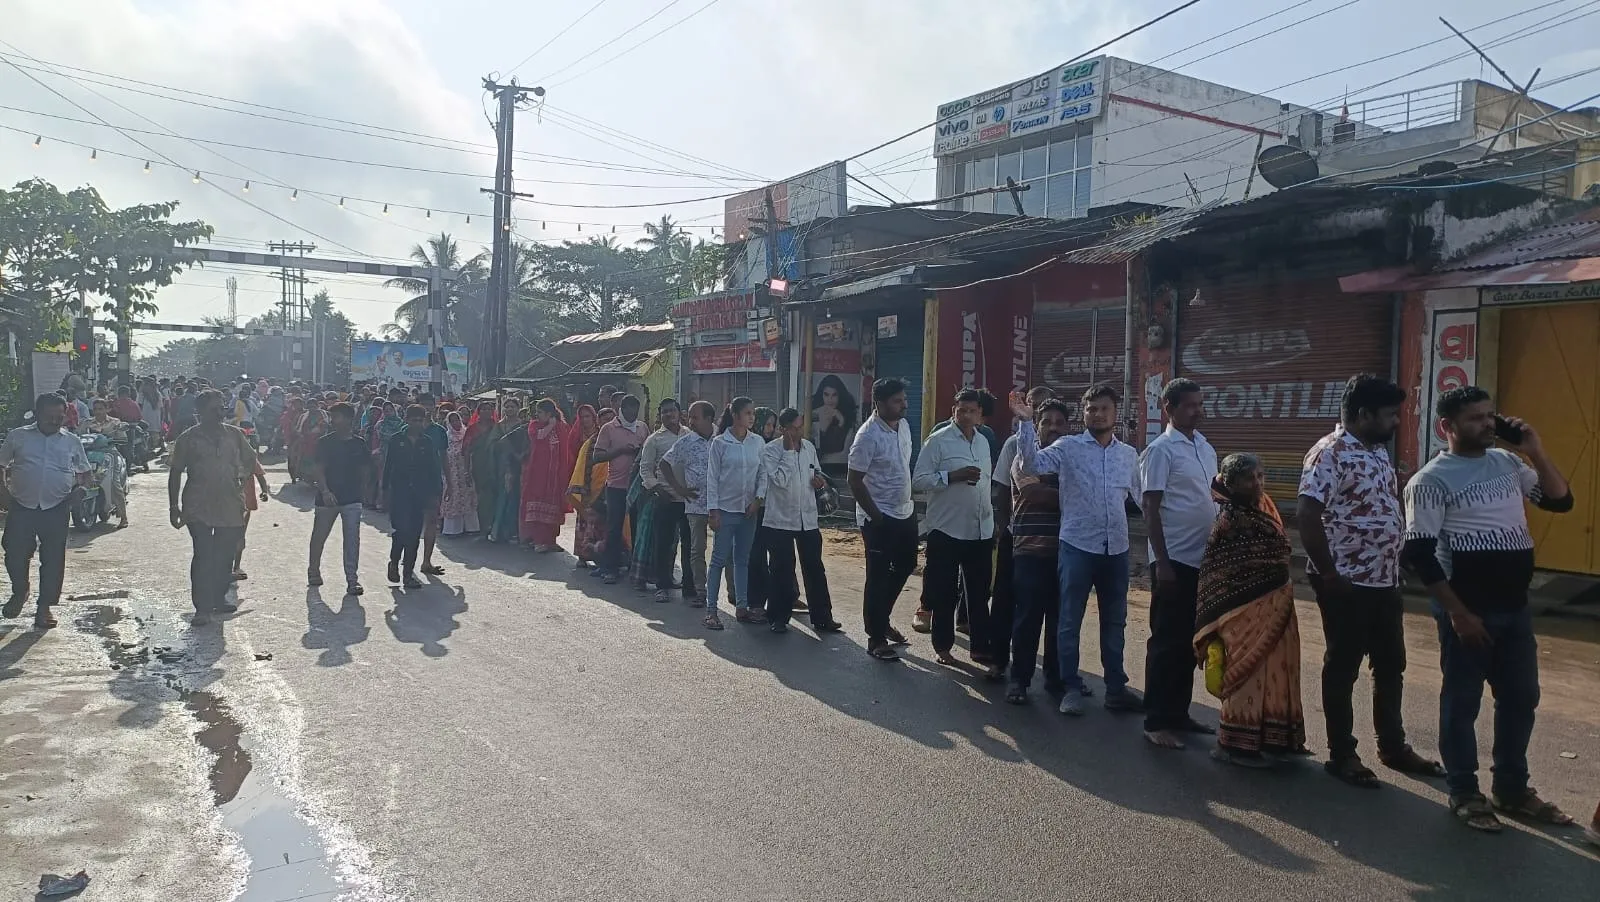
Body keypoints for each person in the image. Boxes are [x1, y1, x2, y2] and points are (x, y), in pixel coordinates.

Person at [1402, 386, 1574, 833]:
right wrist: (1458, 614)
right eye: (1476, 418)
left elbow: (1559, 500)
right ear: (1447, 427)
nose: (1488, 424)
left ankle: (1512, 789)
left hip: (1514, 608)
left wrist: (1534, 448)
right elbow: (1419, 555)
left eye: (1489, 415)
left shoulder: (1509, 463)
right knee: (1462, 703)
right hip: (1468, 610)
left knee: (1521, 698)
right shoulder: (1430, 481)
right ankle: (1464, 791)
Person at [1298, 374, 1444, 788]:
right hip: (1345, 583)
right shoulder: (1329, 454)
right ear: (1363, 415)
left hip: (1384, 580)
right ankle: (1341, 753)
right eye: (1389, 415)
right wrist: (1329, 574)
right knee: (1343, 667)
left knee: (1391, 665)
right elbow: (1307, 515)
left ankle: (1393, 746)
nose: (1396, 422)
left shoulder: (1377, 451)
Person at [1011, 383, 1142, 716]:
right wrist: (1026, 423)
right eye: (1091, 409)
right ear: (1083, 414)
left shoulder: (1127, 455)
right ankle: (1069, 687)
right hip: (1077, 547)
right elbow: (1031, 465)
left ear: (1116, 414)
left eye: (1104, 408)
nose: (1098, 414)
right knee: (1069, 620)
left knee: (1116, 621)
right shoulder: (1068, 447)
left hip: (1117, 550)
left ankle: (1116, 688)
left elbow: (1143, 499)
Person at [1194, 452, 1307, 768]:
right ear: (1230, 484)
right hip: (1243, 613)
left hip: (1278, 603)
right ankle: (1235, 745)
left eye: (1260, 476)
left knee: (1279, 671)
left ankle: (1274, 737)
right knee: (1249, 674)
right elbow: (1217, 574)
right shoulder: (1230, 521)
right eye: (1248, 479)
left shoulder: (1264, 506)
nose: (1257, 483)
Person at [1139, 378, 1220, 750]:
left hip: (1204, 561)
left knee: (1191, 642)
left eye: (1200, 404)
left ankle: (1179, 713)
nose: (1198, 410)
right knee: (1166, 642)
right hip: (1173, 561)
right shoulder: (1160, 450)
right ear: (1168, 408)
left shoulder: (1206, 448)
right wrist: (1162, 561)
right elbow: (1150, 508)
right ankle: (1156, 720)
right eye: (1190, 405)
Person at [912, 389, 996, 670]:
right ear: (953, 410)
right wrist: (953, 476)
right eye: (962, 410)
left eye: (972, 410)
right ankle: (943, 646)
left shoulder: (984, 442)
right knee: (944, 591)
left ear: (980, 414)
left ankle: (981, 647)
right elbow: (919, 480)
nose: (966, 415)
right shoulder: (938, 441)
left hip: (980, 529)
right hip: (946, 529)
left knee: (979, 591)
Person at [1, 394, 92, 629]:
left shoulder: (71, 441)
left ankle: (44, 607)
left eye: (59, 417)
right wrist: (3, 492)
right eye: (49, 416)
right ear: (38, 414)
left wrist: (81, 490)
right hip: (21, 504)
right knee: (14, 552)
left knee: (53, 558)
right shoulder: (18, 436)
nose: (54, 421)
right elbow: (1, 465)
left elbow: (85, 473)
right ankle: (20, 591)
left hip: (56, 505)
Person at [168, 390, 258, 625]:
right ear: (200, 412)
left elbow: (251, 459)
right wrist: (173, 506)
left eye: (221, 408)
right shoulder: (188, 439)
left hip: (229, 504)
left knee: (224, 555)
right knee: (204, 555)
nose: (220, 412)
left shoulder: (235, 435)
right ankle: (202, 607)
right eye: (214, 409)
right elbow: (175, 471)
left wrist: (242, 478)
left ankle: (218, 598)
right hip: (198, 505)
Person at [847, 378, 917, 661]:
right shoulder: (867, 436)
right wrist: (876, 516)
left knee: (906, 564)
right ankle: (875, 638)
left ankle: (881, 618)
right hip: (878, 516)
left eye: (903, 399)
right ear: (880, 403)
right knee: (877, 575)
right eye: (898, 401)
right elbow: (854, 480)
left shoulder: (904, 427)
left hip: (905, 511)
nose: (904, 405)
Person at [1005, 398, 1069, 704]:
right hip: (1030, 551)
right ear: (1037, 427)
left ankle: (1056, 680)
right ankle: (1019, 679)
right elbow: (1032, 492)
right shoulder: (1023, 458)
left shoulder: (1071, 459)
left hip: (1067, 552)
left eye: (1059, 422)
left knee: (1060, 621)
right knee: (1028, 619)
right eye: (1047, 422)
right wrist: (1078, 494)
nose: (1053, 427)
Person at [989, 385, 1054, 670]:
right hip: (1017, 538)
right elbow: (1000, 491)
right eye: (1033, 405)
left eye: (1044, 406)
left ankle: (1057, 672)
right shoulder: (1014, 445)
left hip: (1053, 543)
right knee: (1005, 601)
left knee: (1052, 610)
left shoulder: (1066, 447)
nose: (1038, 410)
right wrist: (1005, 528)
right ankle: (999, 661)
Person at [756, 408, 839, 634]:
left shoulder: (809, 448)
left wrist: (819, 481)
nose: (799, 431)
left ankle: (823, 617)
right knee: (781, 569)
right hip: (780, 519)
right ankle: (778, 617)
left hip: (808, 518)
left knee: (814, 568)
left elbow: (817, 472)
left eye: (801, 426)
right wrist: (790, 452)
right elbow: (780, 481)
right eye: (794, 427)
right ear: (783, 429)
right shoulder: (770, 451)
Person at [703, 397, 766, 629]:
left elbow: (763, 473)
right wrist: (713, 510)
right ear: (736, 415)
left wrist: (758, 499)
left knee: (742, 560)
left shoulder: (757, 442)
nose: (752, 417)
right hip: (725, 509)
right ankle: (711, 611)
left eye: (753, 413)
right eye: (748, 413)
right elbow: (712, 479)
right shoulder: (720, 443)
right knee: (719, 560)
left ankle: (742, 606)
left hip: (748, 510)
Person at [309, 402, 368, 596]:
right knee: (320, 535)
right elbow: (318, 468)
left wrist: (365, 491)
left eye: (337, 417)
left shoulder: (359, 443)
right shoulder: (325, 442)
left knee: (352, 540)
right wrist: (325, 491)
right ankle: (313, 570)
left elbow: (365, 469)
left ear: (349, 419)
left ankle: (352, 580)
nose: (332, 420)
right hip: (328, 497)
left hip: (352, 497)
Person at [382, 405, 444, 589]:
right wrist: (384, 491)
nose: (417, 423)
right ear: (406, 420)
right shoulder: (396, 440)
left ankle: (408, 574)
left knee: (415, 535)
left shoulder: (427, 442)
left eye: (420, 420)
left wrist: (436, 493)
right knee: (400, 531)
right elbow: (388, 466)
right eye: (413, 420)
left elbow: (434, 469)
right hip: (400, 492)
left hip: (420, 493)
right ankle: (394, 562)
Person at [640, 399, 695, 603]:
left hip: (689, 499)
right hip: (666, 498)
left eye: (672, 411)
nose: (669, 415)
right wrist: (656, 488)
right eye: (664, 412)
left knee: (690, 544)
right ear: (660, 415)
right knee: (663, 543)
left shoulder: (690, 435)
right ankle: (662, 585)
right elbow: (645, 469)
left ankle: (690, 586)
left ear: (680, 413)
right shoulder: (654, 440)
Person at [660, 401, 714, 607]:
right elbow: (665, 463)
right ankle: (700, 590)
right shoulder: (686, 442)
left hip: (721, 504)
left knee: (725, 552)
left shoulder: (721, 439)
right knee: (696, 550)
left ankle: (734, 594)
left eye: (695, 417)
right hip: (695, 504)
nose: (690, 421)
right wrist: (679, 489)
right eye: (689, 417)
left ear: (709, 418)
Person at [591, 395, 647, 584]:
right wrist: (621, 451)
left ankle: (636, 567)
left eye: (635, 411)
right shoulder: (609, 428)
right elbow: (597, 456)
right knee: (614, 527)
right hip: (615, 486)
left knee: (638, 527)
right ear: (622, 409)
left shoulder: (642, 427)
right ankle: (610, 568)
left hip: (637, 487)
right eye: (629, 410)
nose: (632, 415)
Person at [520, 399, 571, 552]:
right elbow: (539, 437)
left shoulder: (561, 427)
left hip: (555, 475)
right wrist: (550, 424)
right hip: (538, 475)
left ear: (549, 413)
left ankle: (551, 541)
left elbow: (565, 449)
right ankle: (538, 541)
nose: (538, 415)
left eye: (541, 412)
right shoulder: (534, 426)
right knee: (537, 507)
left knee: (554, 507)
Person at [415, 393, 451, 575]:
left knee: (431, 521)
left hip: (433, 481)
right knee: (411, 523)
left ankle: (426, 561)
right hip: (410, 482)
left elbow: (444, 457)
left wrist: (450, 482)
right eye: (424, 404)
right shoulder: (407, 429)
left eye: (430, 404)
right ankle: (406, 562)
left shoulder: (439, 431)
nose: (427, 407)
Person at [566, 405, 606, 565]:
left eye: (588, 416)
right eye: (582, 417)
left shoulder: (611, 438)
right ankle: (584, 553)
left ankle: (602, 555)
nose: (585, 420)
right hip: (585, 480)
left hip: (604, 486)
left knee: (603, 522)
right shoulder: (581, 438)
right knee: (585, 518)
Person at [81, 398, 130, 529]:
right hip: (90, 455)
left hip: (109, 454)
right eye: (95, 409)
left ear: (107, 409)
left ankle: (123, 517)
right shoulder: (86, 423)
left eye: (101, 409)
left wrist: (116, 438)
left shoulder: (115, 422)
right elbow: (77, 436)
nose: (97, 412)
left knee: (114, 484)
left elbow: (123, 438)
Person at [465, 399, 502, 534]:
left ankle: (492, 524)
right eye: (483, 409)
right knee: (481, 495)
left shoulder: (497, 427)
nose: (486, 412)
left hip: (495, 464)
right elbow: (467, 450)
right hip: (479, 464)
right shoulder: (472, 429)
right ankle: (481, 524)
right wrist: (466, 471)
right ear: (478, 412)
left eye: (489, 409)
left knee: (493, 494)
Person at [232, 456, 271, 581]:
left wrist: (265, 492)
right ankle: (229, 567)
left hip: (245, 504)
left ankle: (236, 567)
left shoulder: (249, 457)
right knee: (231, 535)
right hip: (228, 502)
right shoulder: (225, 454)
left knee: (239, 535)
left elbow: (260, 477)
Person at [810, 374, 859, 469]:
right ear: (821, 395)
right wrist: (822, 429)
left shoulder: (846, 417)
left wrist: (841, 422)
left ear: (840, 395)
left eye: (834, 395)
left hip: (841, 469)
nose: (830, 399)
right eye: (826, 394)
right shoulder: (813, 415)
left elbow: (837, 448)